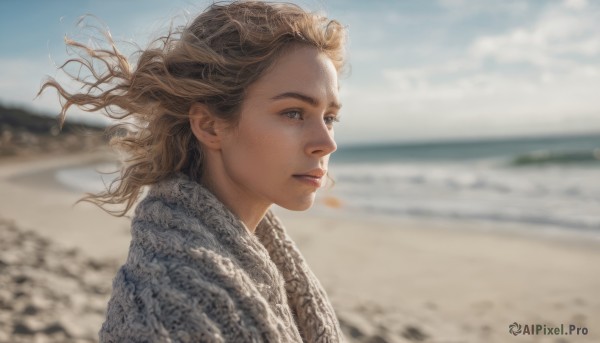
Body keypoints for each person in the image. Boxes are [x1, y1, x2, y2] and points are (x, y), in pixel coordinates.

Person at [39, 1, 347, 342]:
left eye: (329, 117)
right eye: (294, 113)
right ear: (209, 125)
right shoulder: (166, 311)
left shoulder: (259, 261)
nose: (326, 142)